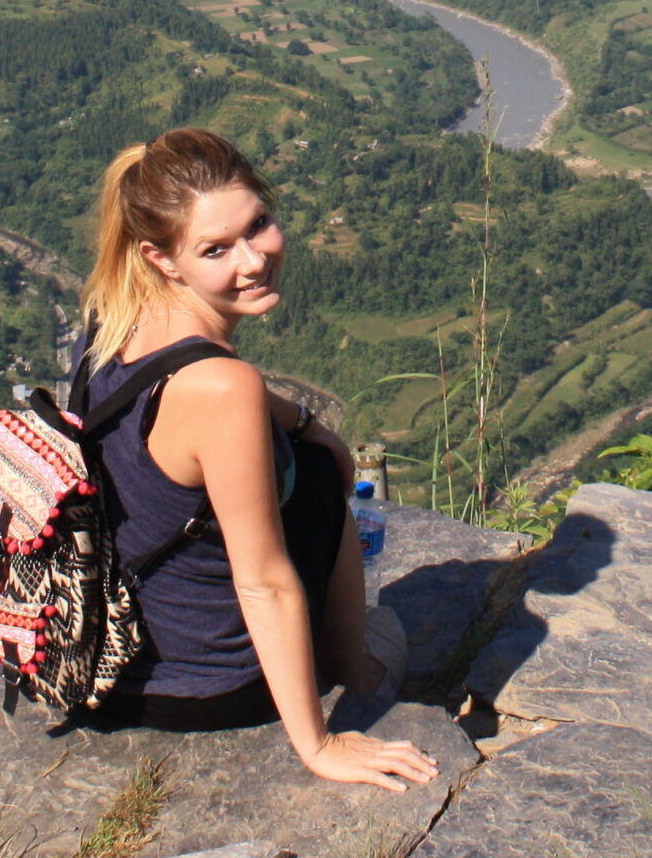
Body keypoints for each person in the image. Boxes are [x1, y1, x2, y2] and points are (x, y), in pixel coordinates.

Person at [69, 127, 438, 791]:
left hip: (118, 652)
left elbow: (197, 392)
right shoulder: (222, 389)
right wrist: (320, 744)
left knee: (316, 462)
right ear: (163, 258)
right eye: (216, 249)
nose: (252, 259)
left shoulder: (112, 319)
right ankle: (356, 671)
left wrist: (301, 421)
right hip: (215, 682)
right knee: (396, 629)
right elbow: (263, 582)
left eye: (258, 225)